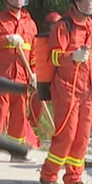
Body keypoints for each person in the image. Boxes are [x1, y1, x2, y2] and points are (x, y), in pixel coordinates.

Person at [36, 0, 92, 184]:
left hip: (87, 90)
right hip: (67, 88)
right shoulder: (65, 25)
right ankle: (49, 175)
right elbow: (53, 55)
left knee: (82, 136)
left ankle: (73, 179)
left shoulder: (91, 26)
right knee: (67, 134)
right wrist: (73, 55)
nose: (90, 4)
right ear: (74, 0)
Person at [0, 0, 38, 165]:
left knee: (19, 117)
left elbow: (34, 53)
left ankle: (16, 151)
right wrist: (6, 39)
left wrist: (35, 73)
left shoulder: (30, 24)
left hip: (22, 78)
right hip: (1, 78)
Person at [28, 11, 63, 146]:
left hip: (60, 81)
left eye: (56, 26)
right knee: (37, 108)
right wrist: (35, 74)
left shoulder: (63, 40)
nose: (54, 29)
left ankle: (61, 141)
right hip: (44, 80)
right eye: (52, 26)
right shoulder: (42, 41)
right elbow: (37, 59)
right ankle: (31, 137)